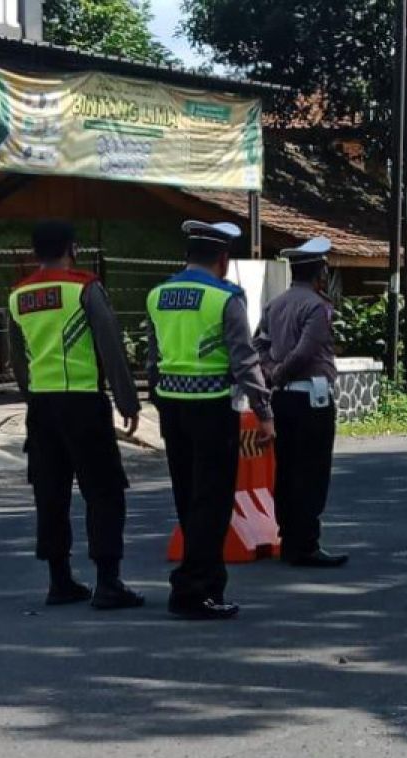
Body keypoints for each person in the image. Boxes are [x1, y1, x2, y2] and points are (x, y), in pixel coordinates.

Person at [7, 221, 145, 610]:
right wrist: (127, 400)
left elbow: (19, 360)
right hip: (82, 401)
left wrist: (32, 398)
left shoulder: (18, 296)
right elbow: (110, 345)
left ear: (35, 252)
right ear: (73, 248)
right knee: (104, 491)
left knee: (50, 492)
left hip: (42, 406)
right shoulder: (84, 288)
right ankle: (107, 581)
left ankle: (59, 580)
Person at [146, 221, 275, 620]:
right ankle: (193, 589)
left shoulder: (158, 295)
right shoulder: (225, 297)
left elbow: (153, 356)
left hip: (172, 406)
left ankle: (206, 585)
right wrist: (265, 412)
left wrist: (157, 396)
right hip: (212, 405)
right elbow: (245, 360)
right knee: (213, 501)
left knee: (188, 496)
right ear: (222, 259)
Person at [253, 237, 348, 567]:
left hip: (283, 401)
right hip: (312, 399)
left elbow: (259, 345)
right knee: (312, 470)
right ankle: (306, 542)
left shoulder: (275, 305)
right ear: (319, 272)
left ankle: (290, 535)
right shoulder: (317, 307)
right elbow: (306, 351)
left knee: (288, 468)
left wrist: (269, 371)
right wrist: (279, 372)